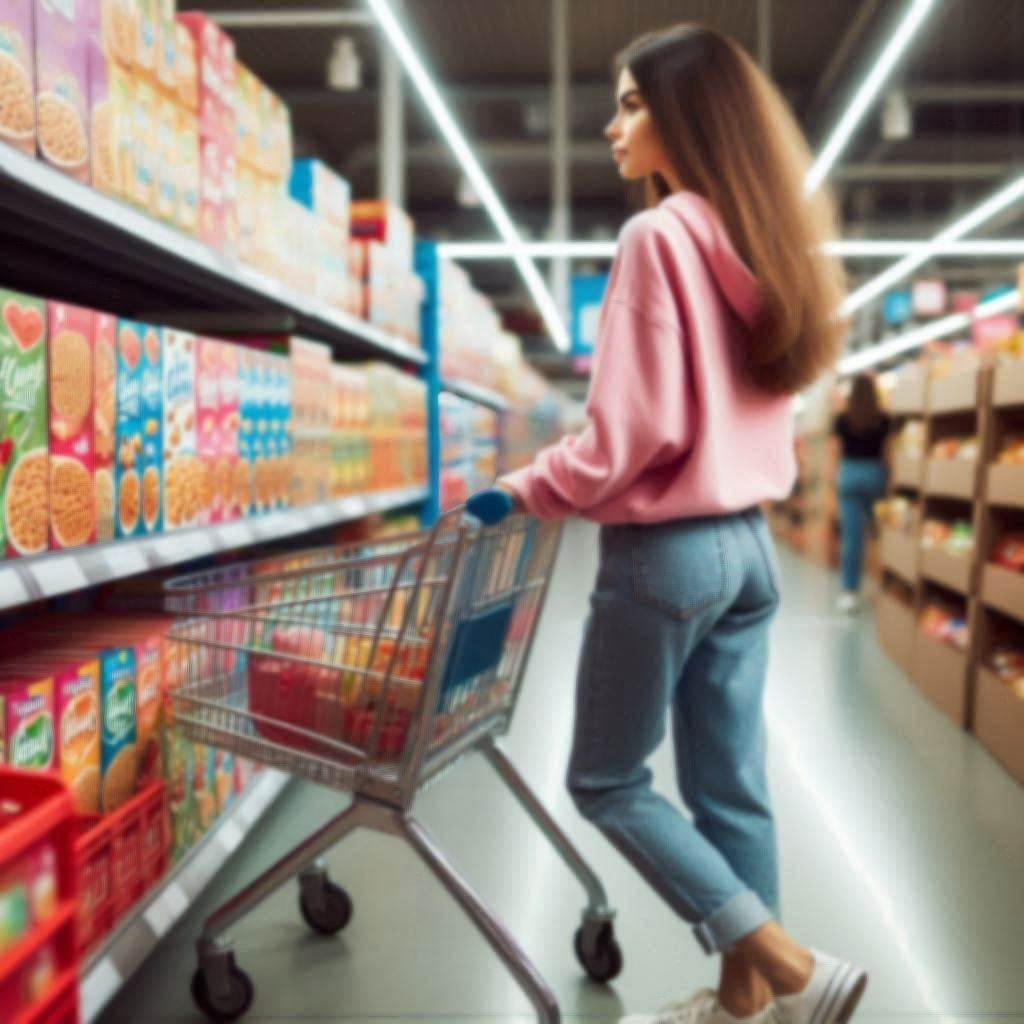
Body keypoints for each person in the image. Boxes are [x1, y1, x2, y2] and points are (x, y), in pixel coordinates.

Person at [476, 23, 868, 1024]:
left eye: (632, 103)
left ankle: (787, 965)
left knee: (605, 777)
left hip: (665, 556)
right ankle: (746, 1009)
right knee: (731, 787)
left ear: (686, 114)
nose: (611, 126)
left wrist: (521, 488)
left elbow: (625, 439)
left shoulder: (655, 238)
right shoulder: (764, 245)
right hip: (747, 552)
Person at [833, 375, 890, 613]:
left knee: (852, 537)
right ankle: (882, 587)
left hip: (849, 474)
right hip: (875, 474)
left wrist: (832, 479)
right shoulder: (884, 419)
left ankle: (849, 592)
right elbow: (888, 453)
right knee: (879, 534)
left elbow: (834, 452)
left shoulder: (842, 419)